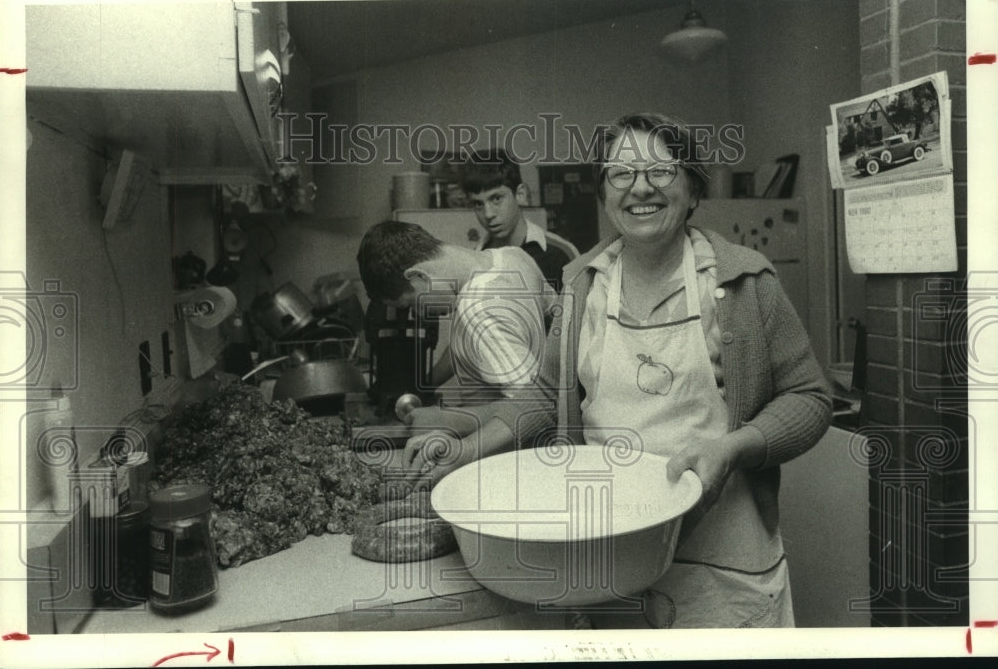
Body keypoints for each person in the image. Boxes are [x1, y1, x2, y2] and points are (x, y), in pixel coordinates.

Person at [403, 113, 832, 629]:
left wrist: (734, 448)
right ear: (605, 195)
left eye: (660, 171)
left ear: (693, 189)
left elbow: (809, 397)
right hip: (610, 561)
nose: (640, 188)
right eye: (621, 174)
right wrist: (468, 449)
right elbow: (545, 397)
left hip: (722, 566)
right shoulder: (582, 286)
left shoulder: (744, 281)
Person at [356, 220, 554, 408]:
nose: (418, 313)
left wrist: (450, 421)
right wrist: (427, 384)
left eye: (411, 303)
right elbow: (551, 324)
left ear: (418, 275)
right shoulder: (514, 257)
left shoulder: (477, 309)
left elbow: (536, 408)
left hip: (512, 443)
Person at [461, 148, 576, 292]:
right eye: (478, 204)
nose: (488, 214)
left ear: (520, 194)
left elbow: (580, 312)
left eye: (496, 198)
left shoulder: (560, 253)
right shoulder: (474, 260)